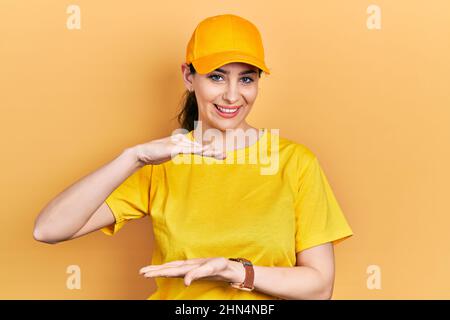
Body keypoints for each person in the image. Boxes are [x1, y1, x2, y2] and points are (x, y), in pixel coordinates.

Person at [33, 13, 353, 300]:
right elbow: (49, 230)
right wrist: (134, 157)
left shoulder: (295, 162)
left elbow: (319, 286)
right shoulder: (161, 163)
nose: (231, 94)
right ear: (189, 76)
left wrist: (236, 272)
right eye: (216, 76)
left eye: (246, 79)